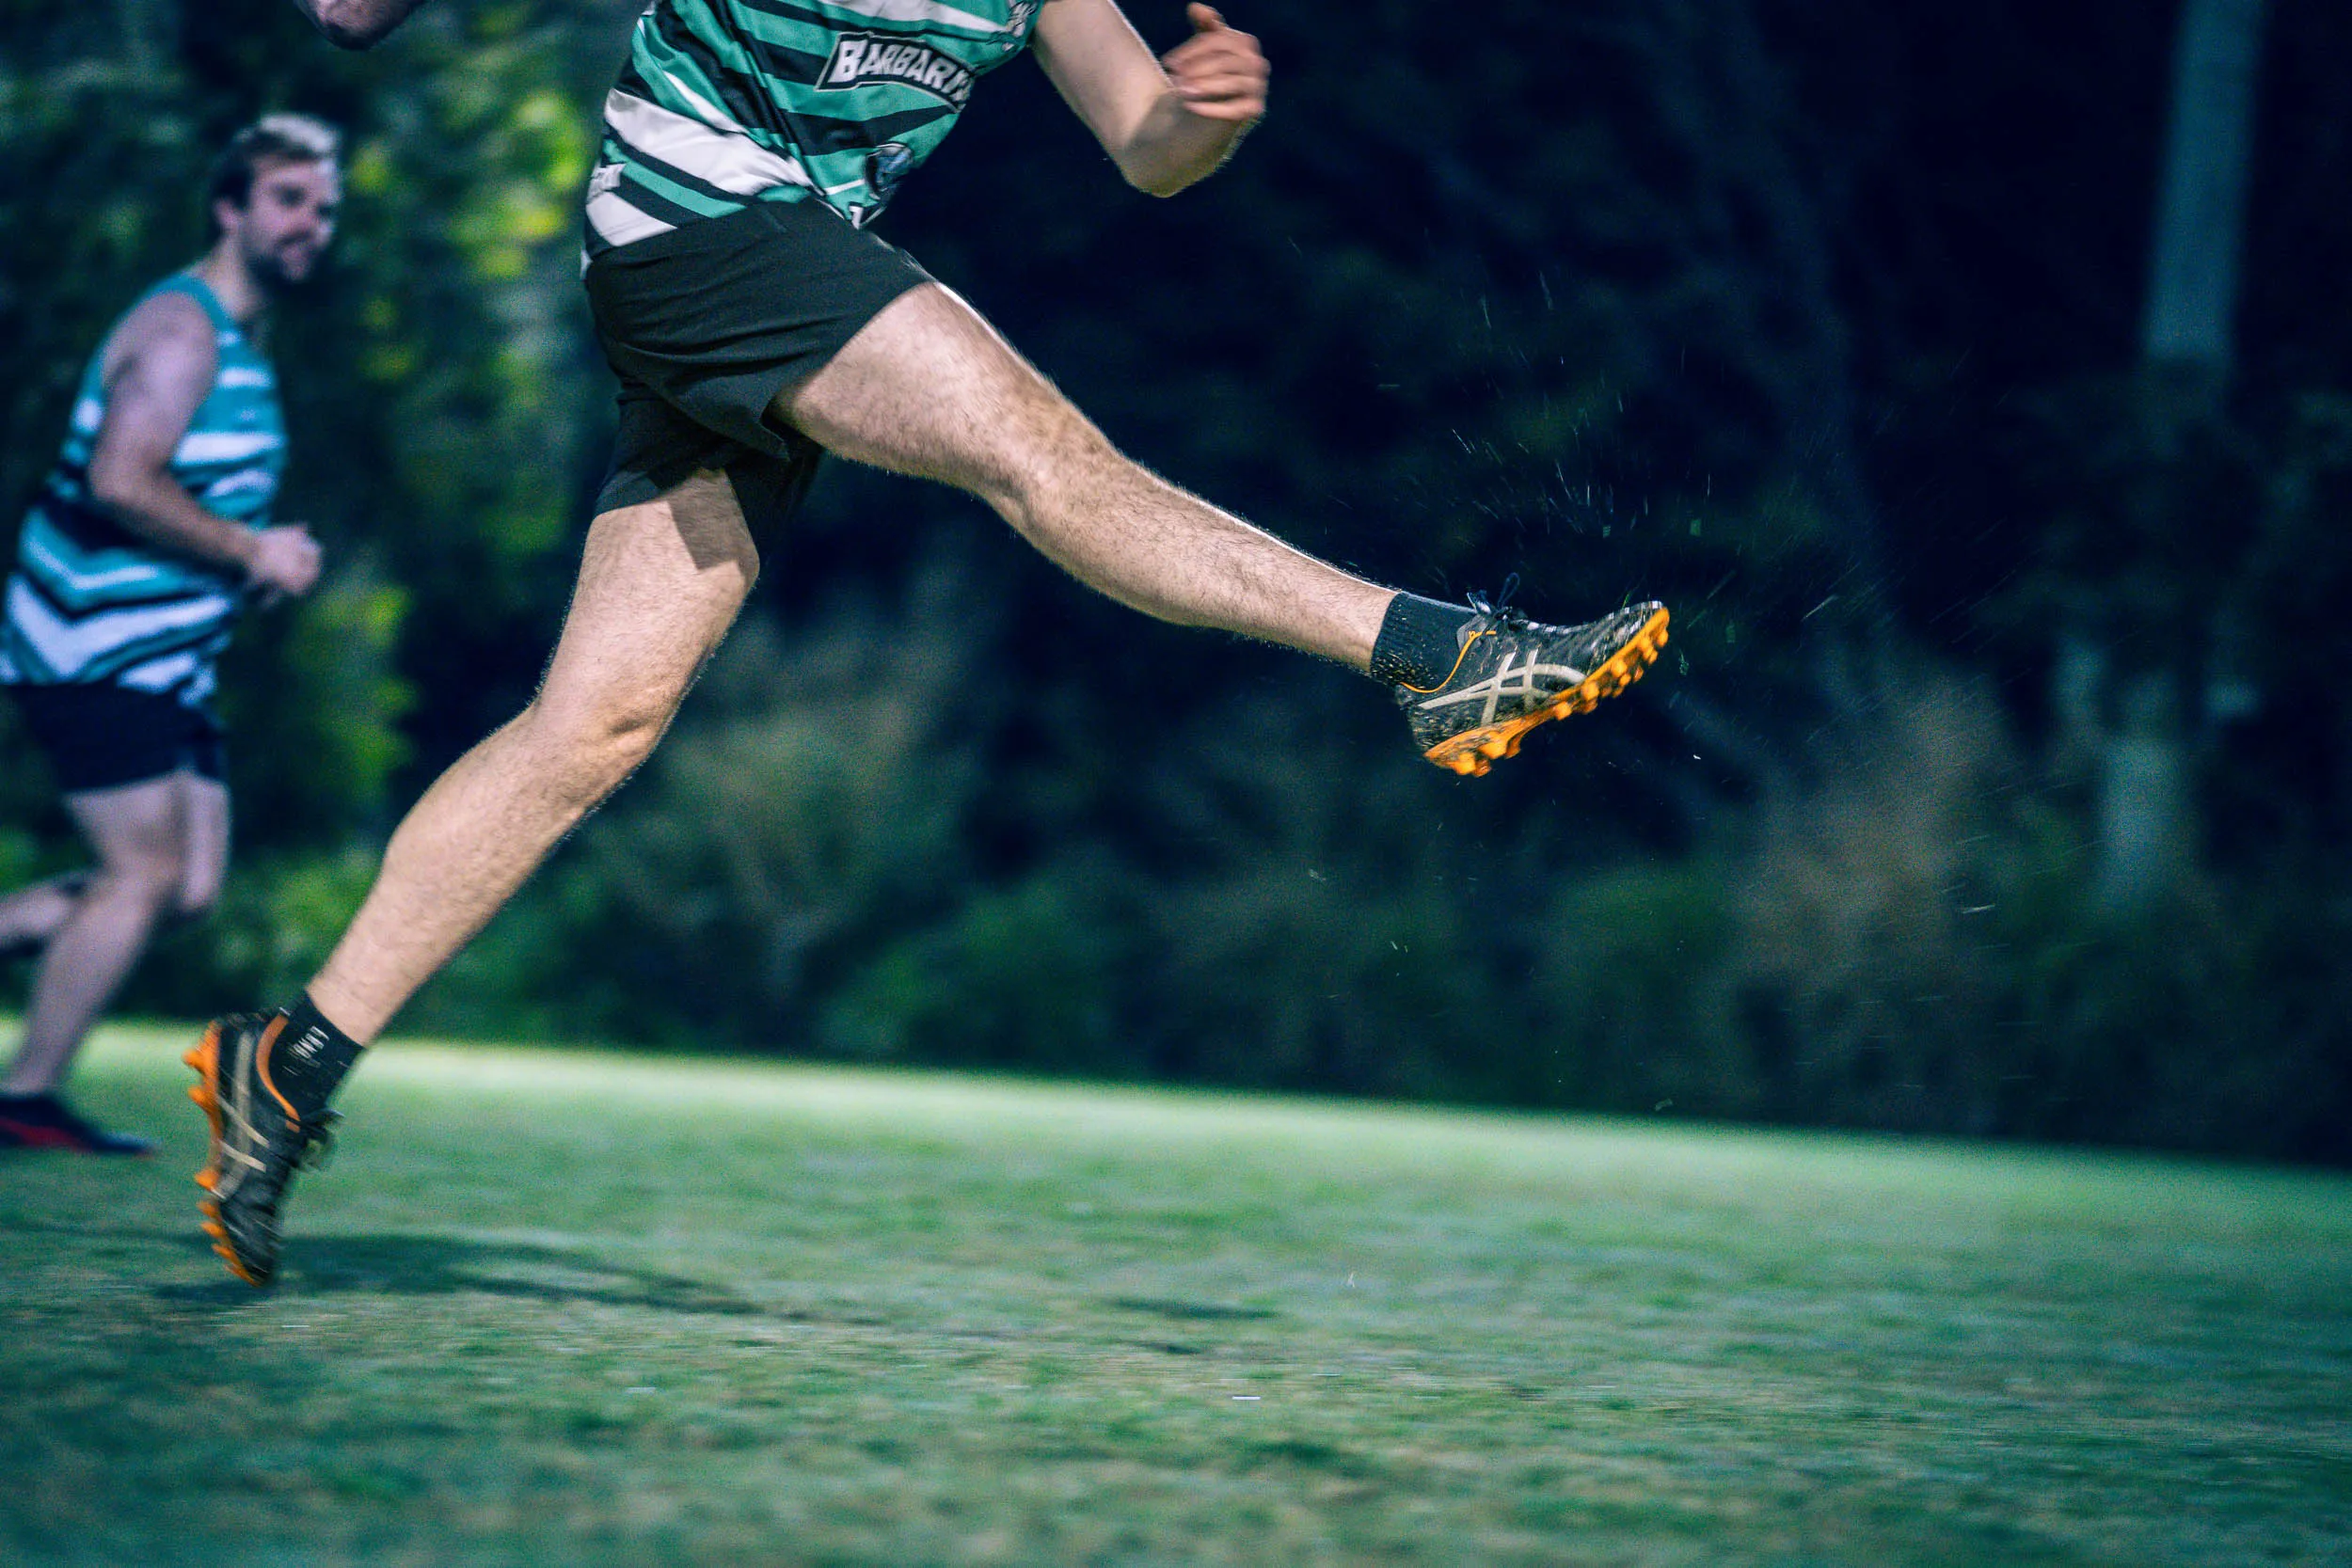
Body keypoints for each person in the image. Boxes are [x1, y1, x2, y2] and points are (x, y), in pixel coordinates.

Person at [186, 0, 1670, 1284]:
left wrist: (1205, 119)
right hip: (698, 225)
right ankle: (1438, 654)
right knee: (1043, 454)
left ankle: (287, 1062)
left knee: (592, 727)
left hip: (759, 258)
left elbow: (1146, 145)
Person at [0, 115, 339, 1155]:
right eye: (288, 200)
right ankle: (26, 1096)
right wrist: (251, 550)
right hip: (92, 644)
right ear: (230, 207)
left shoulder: (239, 338)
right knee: (140, 876)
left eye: (324, 209)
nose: (311, 224)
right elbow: (119, 479)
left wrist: (249, 564)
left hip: (163, 659)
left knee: (182, 889)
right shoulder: (183, 331)